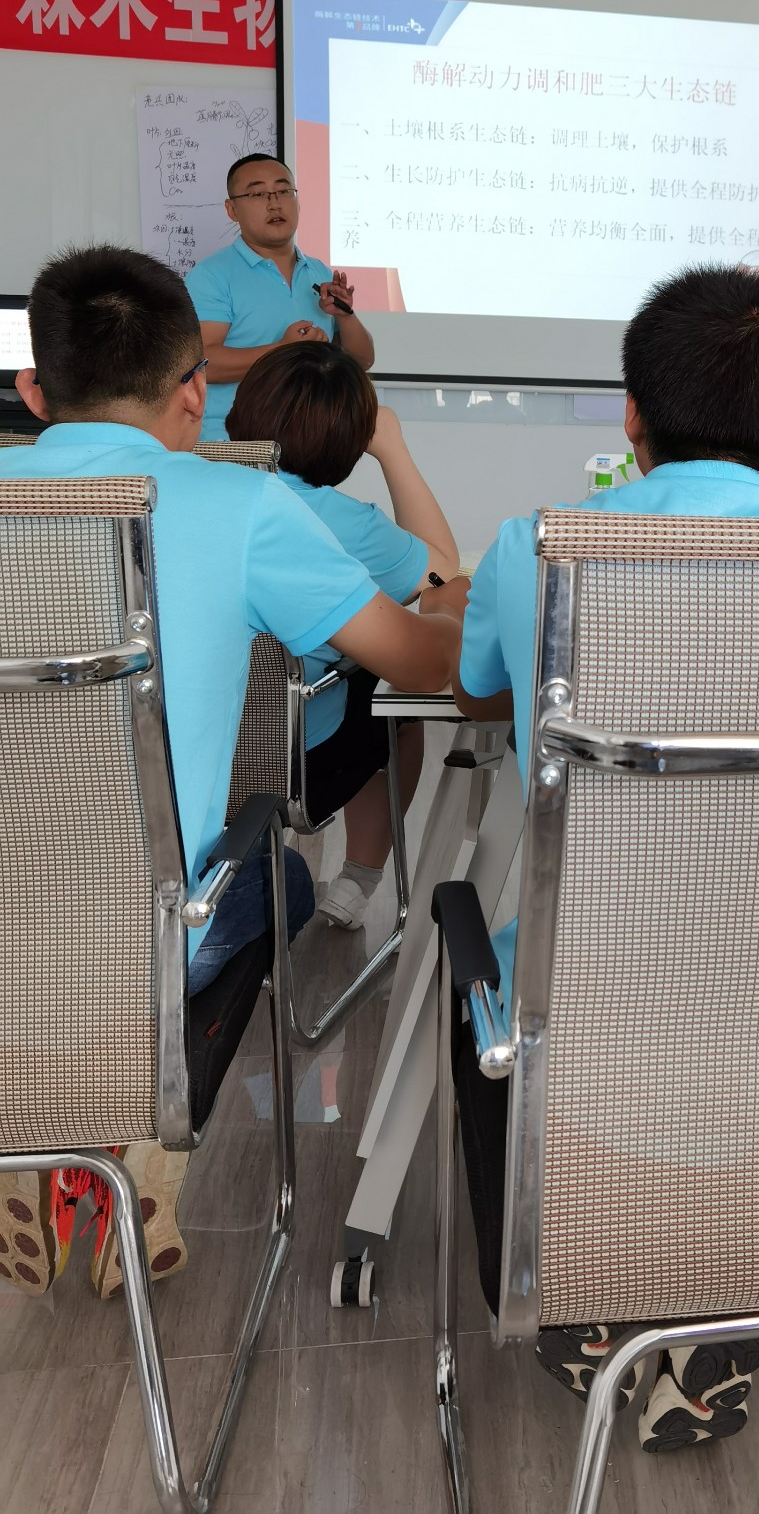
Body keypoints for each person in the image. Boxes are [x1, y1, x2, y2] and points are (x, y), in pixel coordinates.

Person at [0, 247, 460, 1301]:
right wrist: (447, 613)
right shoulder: (238, 505)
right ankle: (126, 1137)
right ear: (192, 392)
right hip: (144, 945)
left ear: (33, 393)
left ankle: (51, 1122)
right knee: (278, 876)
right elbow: (420, 664)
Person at [440, 264, 759, 1456]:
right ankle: (725, 1273)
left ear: (631, 415)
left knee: (481, 965)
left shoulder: (536, 547)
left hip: (593, 1011)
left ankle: (576, 1294)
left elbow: (472, 687)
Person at [227, 343, 458, 928]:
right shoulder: (349, 523)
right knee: (395, 701)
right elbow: (440, 568)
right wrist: (392, 447)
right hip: (290, 768)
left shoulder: (190, 493)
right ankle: (357, 880)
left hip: (181, 760)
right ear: (352, 440)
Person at [184, 154, 375, 442]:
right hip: (232, 443)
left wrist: (345, 315)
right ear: (232, 209)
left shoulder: (319, 271)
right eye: (258, 194)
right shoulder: (211, 276)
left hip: (309, 441)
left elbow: (362, 360)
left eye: (284, 191)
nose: (274, 203)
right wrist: (282, 351)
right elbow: (200, 364)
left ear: (298, 201)